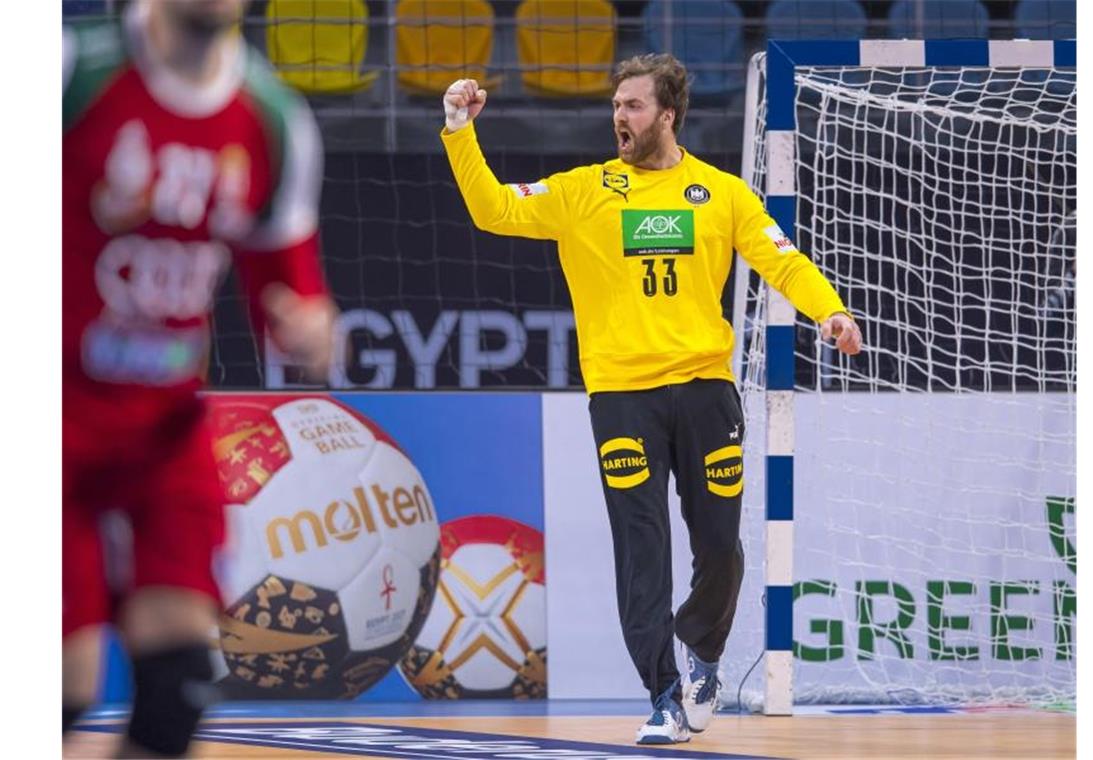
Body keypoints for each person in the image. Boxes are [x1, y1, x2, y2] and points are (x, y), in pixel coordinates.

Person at [440, 54, 862, 745]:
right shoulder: (583, 190)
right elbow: (493, 211)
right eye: (616, 106)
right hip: (622, 398)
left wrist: (830, 312)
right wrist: (460, 130)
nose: (619, 117)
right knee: (641, 551)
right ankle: (664, 693)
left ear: (668, 114)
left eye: (634, 106)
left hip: (705, 391)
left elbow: (781, 258)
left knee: (720, 547)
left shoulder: (722, 194)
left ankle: (701, 654)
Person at [63, 1, 337, 755]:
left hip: (164, 434)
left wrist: (307, 320)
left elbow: (288, 278)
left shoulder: (274, 118)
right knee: (63, 687)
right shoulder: (69, 68)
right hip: (52, 420)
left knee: (179, 692)